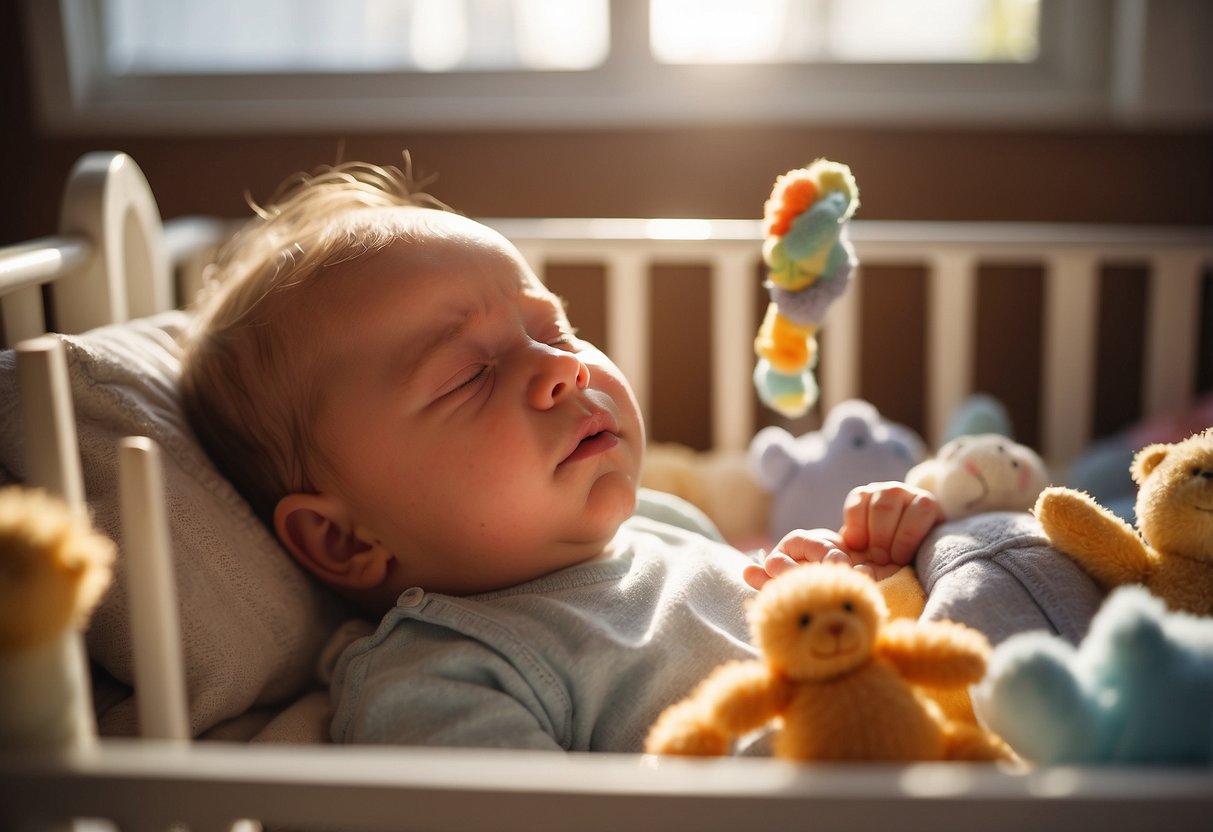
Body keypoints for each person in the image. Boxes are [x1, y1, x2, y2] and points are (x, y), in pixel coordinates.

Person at [180, 160, 944, 753]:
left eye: (554, 330)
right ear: (345, 539)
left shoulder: (657, 519)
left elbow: (768, 628)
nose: (563, 368)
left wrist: (847, 569)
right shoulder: (445, 672)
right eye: (468, 375)